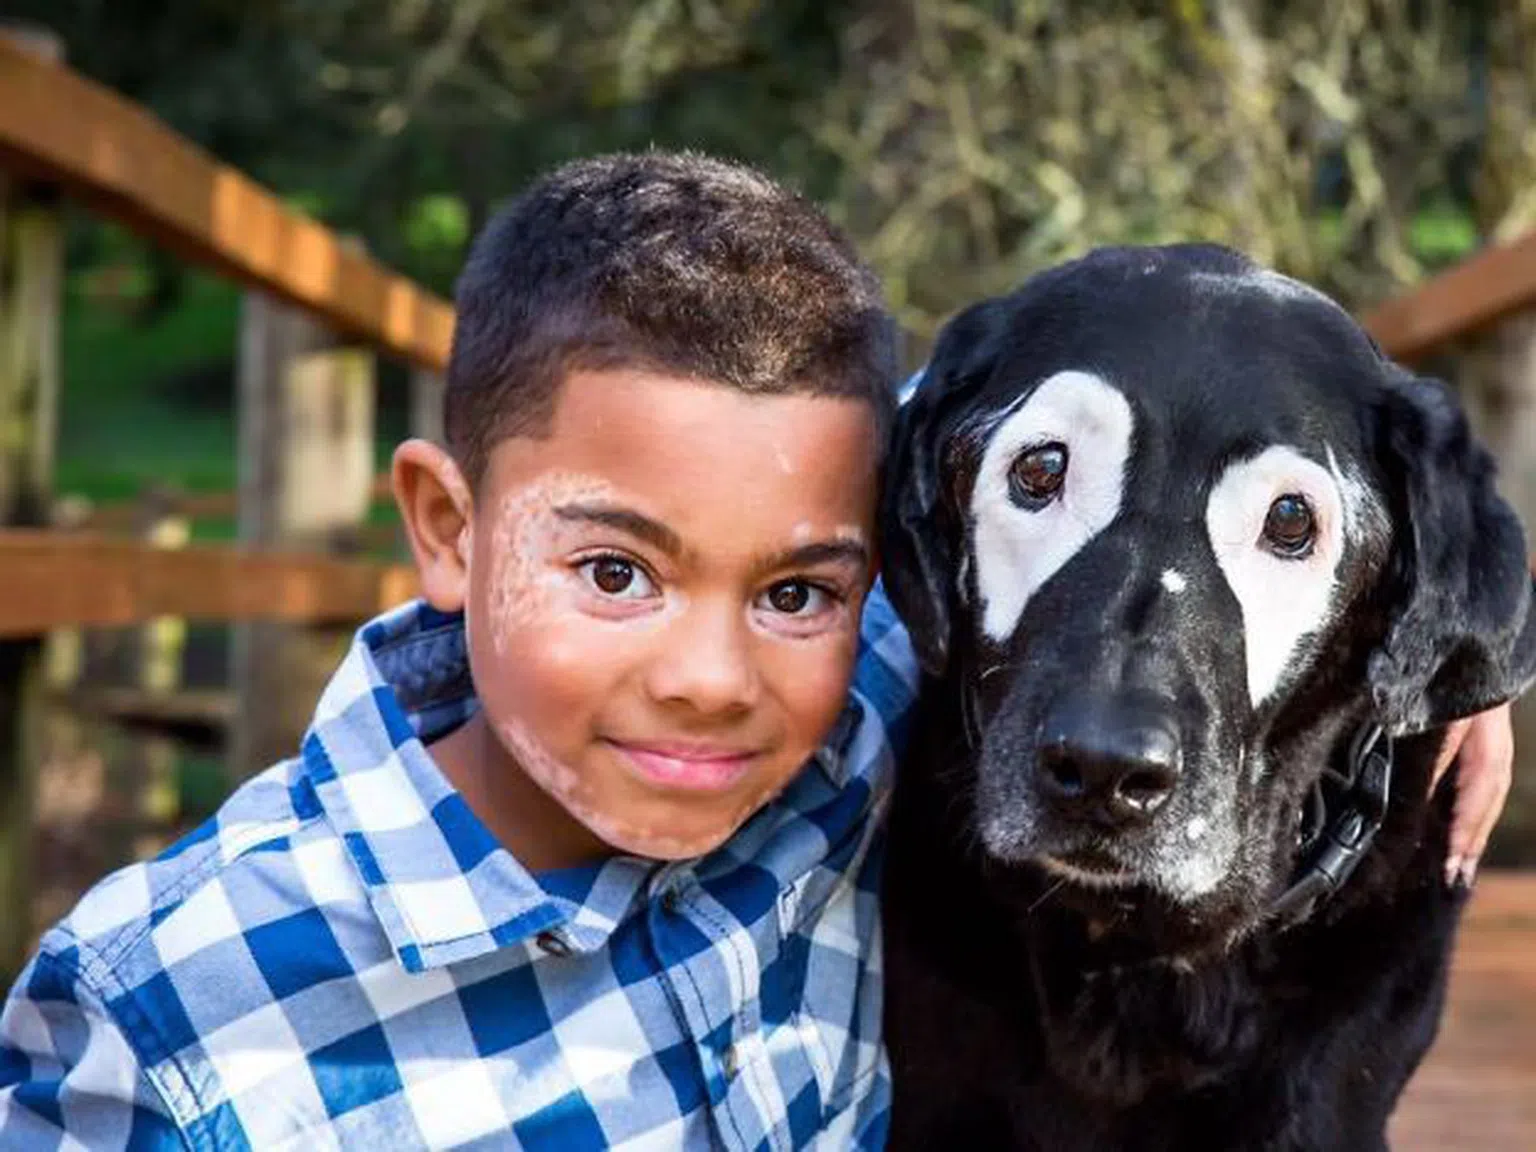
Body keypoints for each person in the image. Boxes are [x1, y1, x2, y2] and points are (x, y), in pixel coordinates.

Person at [0, 150, 1514, 1151]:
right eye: (612, 569)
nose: (712, 676)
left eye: (797, 590)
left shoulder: (825, 729)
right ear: (446, 530)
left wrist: (1454, 657)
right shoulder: (168, 1008)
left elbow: (1021, 436)